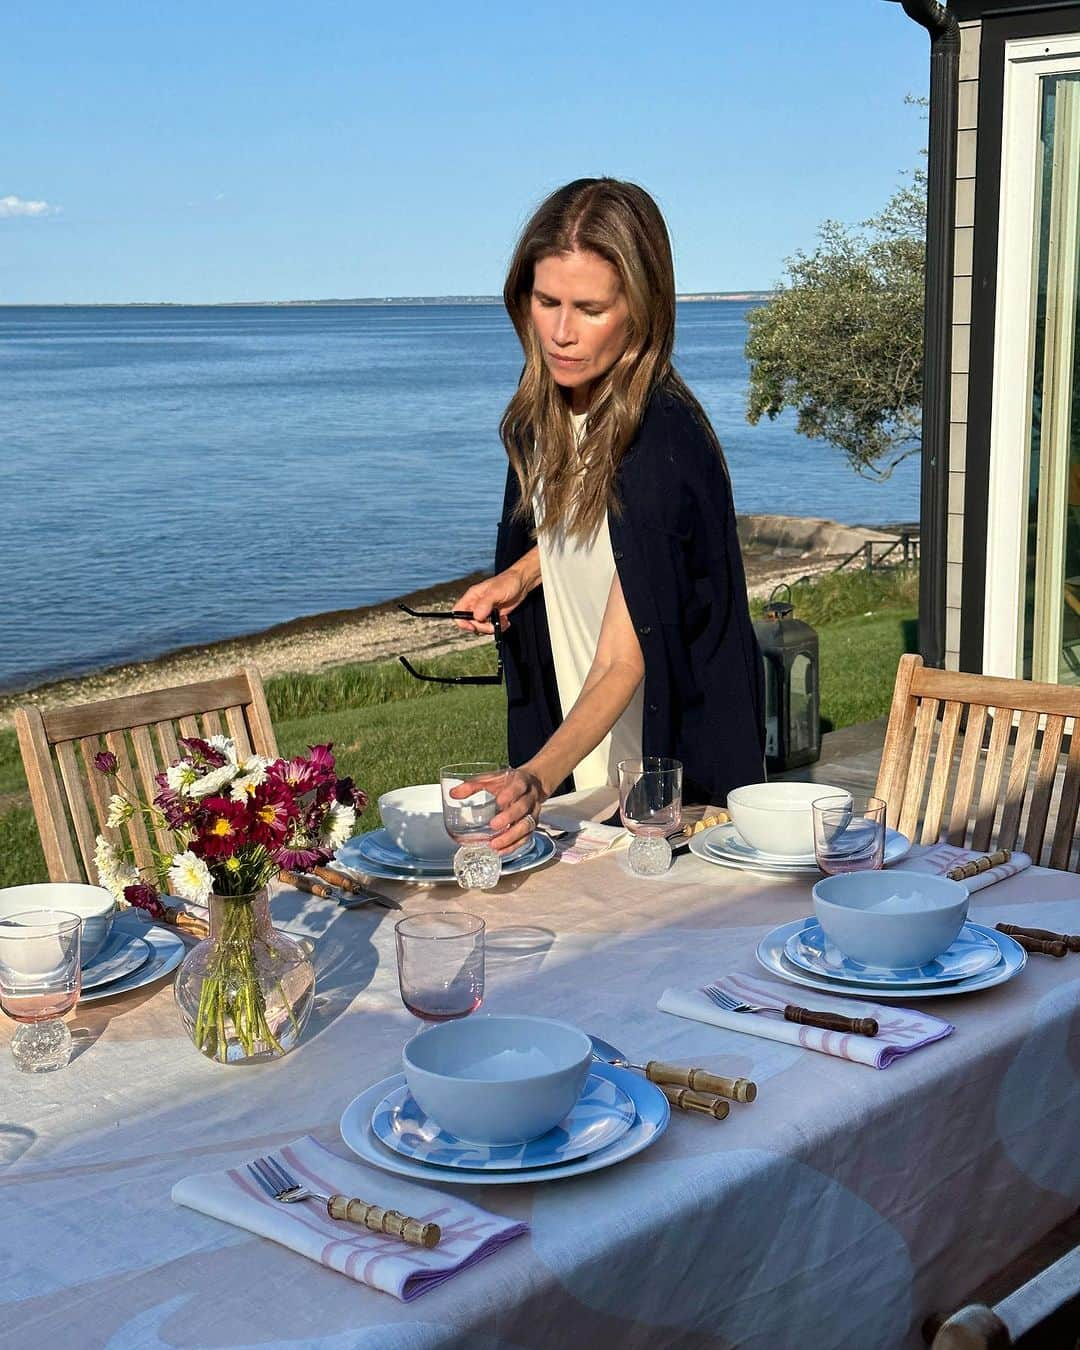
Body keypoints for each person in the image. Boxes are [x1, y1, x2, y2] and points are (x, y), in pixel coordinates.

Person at [454, 177, 765, 852]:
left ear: (642, 310)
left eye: (590, 308)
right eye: (547, 301)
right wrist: (525, 576)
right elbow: (602, 531)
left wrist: (533, 779)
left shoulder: (661, 442)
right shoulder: (549, 409)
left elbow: (623, 659)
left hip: (666, 788)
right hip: (584, 775)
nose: (562, 334)